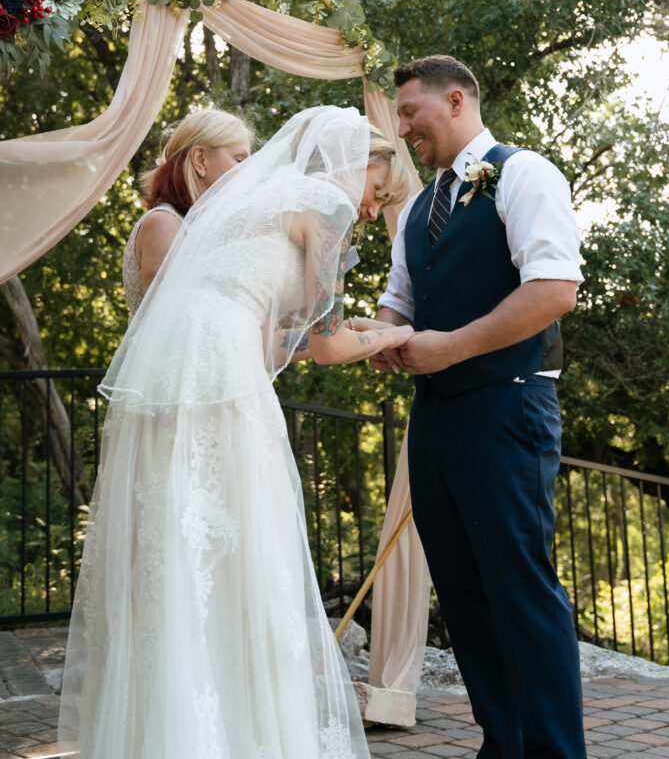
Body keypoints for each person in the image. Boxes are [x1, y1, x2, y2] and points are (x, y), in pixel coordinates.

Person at [58, 105, 413, 759]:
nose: (372, 207)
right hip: (218, 372)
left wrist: (359, 328)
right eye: (377, 188)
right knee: (244, 542)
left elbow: (283, 334)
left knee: (181, 544)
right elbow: (328, 346)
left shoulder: (254, 204)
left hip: (174, 365)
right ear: (349, 163)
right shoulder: (325, 206)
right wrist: (396, 334)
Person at [372, 56, 586, 759]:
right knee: (462, 595)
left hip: (507, 407)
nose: (401, 130)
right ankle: (506, 744)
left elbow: (554, 288)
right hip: (435, 418)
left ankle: (554, 752)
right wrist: (372, 336)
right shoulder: (412, 210)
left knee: (519, 589)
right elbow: (398, 304)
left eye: (410, 113)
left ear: (456, 100)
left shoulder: (525, 174)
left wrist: (450, 348)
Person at [123, 108, 253, 316]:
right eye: (239, 160)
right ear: (200, 160)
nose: (248, 172)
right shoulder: (163, 224)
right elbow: (168, 324)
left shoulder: (201, 230)